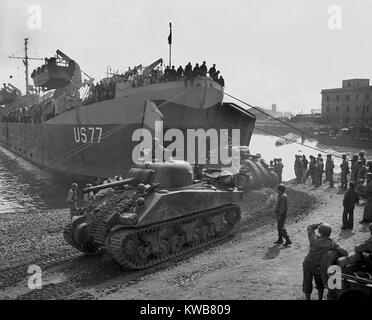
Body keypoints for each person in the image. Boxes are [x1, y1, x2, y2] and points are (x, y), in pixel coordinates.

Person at [302, 223, 348, 300]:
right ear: (329, 233)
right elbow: (345, 253)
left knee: (307, 281)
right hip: (319, 267)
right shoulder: (332, 243)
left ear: (319, 232)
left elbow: (310, 227)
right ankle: (320, 298)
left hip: (307, 263)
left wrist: (318, 224)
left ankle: (307, 298)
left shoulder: (313, 239)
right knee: (319, 282)